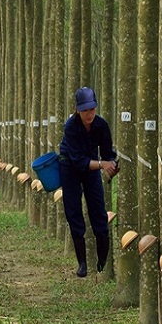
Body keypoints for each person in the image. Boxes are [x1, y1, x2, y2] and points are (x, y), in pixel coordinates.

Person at [59, 87, 119, 278]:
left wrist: (112, 166)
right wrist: (103, 164)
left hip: (92, 167)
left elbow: (109, 153)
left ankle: (102, 259)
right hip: (70, 167)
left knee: (98, 210)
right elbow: (78, 161)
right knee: (73, 211)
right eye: (85, 110)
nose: (89, 113)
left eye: (92, 109)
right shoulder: (70, 126)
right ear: (77, 109)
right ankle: (82, 263)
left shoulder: (101, 125)